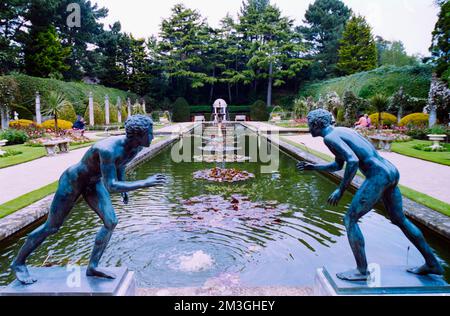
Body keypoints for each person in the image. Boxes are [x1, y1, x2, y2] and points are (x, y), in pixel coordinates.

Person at [11, 115, 166, 284]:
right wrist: (144, 183)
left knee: (111, 222)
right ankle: (18, 263)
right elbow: (111, 186)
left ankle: (92, 267)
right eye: (150, 133)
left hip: (93, 182)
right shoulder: (108, 150)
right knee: (52, 227)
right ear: (138, 135)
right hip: (73, 181)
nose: (152, 136)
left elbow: (120, 165)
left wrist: (125, 187)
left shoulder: (136, 147)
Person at [297, 109, 443, 281]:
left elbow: (352, 161)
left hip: (377, 176)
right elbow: (338, 165)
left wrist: (340, 190)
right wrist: (313, 167)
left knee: (350, 219)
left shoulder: (329, 138)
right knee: (399, 219)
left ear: (316, 124)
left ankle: (361, 270)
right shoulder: (342, 131)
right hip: (390, 171)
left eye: (309, 125)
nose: (308, 129)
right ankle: (432, 263)